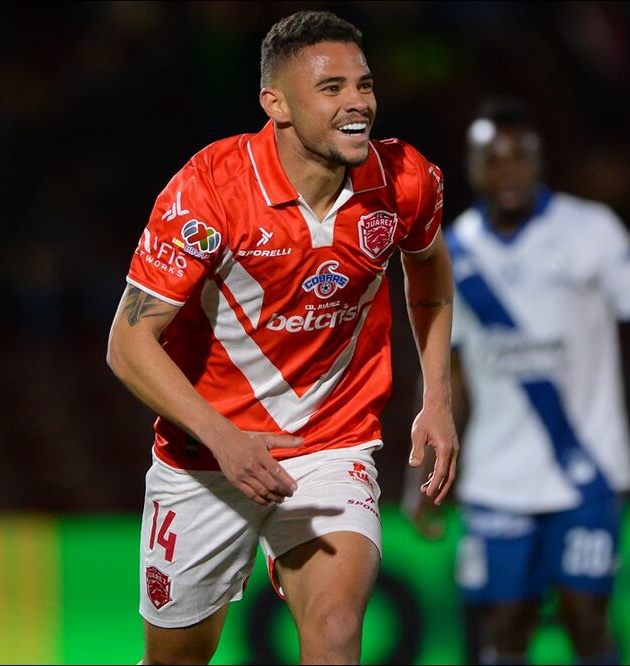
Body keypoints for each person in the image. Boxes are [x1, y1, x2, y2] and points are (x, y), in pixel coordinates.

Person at [106, 10, 458, 665]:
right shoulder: (208, 191)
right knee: (176, 659)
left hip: (332, 441)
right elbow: (126, 344)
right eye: (331, 89)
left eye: (364, 84)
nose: (357, 102)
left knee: (334, 626)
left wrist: (435, 396)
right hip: (206, 458)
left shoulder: (403, 181)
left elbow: (429, 269)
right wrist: (222, 437)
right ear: (277, 104)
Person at [404, 99, 630, 665]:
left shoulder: (591, 230)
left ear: (540, 163)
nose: (509, 173)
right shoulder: (451, 253)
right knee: (505, 628)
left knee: (585, 618)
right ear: (471, 168)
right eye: (493, 161)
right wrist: (428, 471)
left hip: (589, 469)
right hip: (499, 477)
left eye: (520, 159)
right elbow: (449, 373)